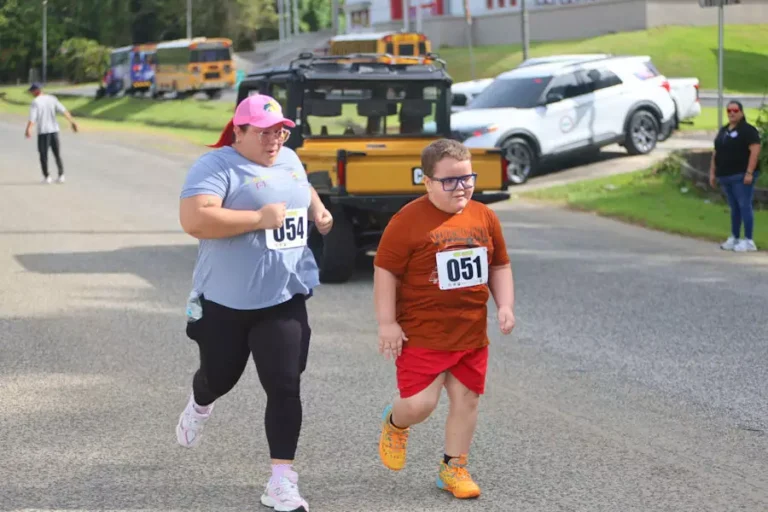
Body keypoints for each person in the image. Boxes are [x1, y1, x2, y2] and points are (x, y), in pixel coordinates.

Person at [176, 93, 334, 512]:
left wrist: (318, 210)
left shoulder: (289, 158)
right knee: (220, 376)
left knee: (285, 384)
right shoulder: (215, 166)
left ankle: (281, 481)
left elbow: (301, 186)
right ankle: (200, 403)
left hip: (283, 294)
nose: (275, 139)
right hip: (225, 301)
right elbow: (195, 220)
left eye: (281, 130)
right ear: (239, 131)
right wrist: (258, 219)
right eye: (265, 132)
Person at [373, 138, 516, 500]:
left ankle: (454, 467)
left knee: (467, 399)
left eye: (467, 178)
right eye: (449, 181)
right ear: (426, 181)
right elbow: (385, 271)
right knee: (421, 404)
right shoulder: (407, 220)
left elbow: (499, 264)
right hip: (422, 333)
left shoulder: (484, 215)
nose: (461, 187)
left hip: (469, 333)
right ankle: (396, 421)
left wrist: (505, 305)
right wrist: (387, 323)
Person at [710, 100, 762, 252]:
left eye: (735, 110)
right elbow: (716, 152)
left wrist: (749, 172)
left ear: (741, 112)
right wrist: (712, 172)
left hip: (741, 175)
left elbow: (755, 151)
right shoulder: (724, 131)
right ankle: (734, 237)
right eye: (729, 111)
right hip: (726, 175)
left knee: (744, 205)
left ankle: (749, 240)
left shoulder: (748, 130)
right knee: (734, 207)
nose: (732, 113)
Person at [25, 83, 78, 184]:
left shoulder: (35, 102)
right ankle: (61, 175)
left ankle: (47, 177)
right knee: (57, 153)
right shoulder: (52, 98)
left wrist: (28, 129)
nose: (31, 93)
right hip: (54, 131)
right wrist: (72, 121)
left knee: (43, 154)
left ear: (37, 90)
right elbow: (63, 111)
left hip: (43, 132)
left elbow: (32, 118)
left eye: (32, 91)